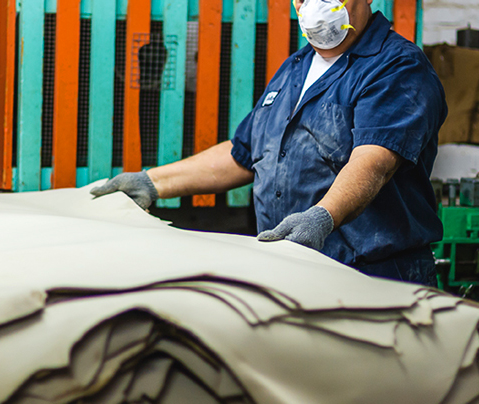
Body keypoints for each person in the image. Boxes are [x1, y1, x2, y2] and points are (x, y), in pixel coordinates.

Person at [91, 0, 447, 286]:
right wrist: (152, 182)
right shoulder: (296, 68)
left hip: (374, 278)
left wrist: (323, 218)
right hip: (296, 271)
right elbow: (244, 155)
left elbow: (374, 162)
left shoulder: (397, 67)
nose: (317, 6)